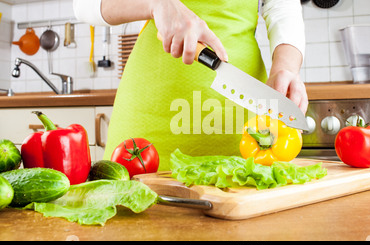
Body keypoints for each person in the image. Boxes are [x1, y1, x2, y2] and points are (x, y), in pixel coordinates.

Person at [73, 0, 307, 171]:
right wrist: (157, 4)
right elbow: (85, 5)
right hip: (148, 118)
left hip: (242, 122)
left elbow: (283, 7)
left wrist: (285, 67)